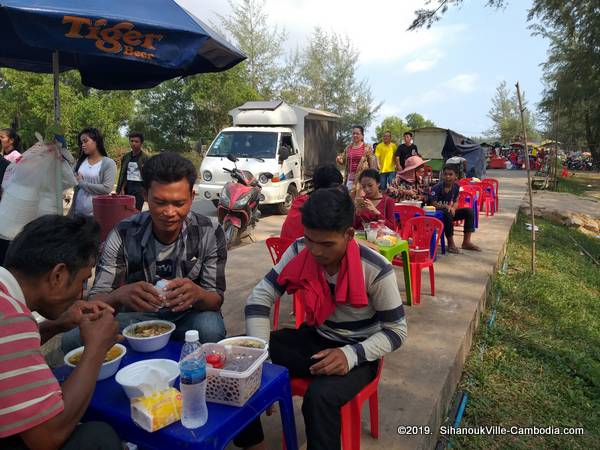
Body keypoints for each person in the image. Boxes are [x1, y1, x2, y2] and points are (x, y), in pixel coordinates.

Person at [237, 188, 407, 450]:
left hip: (359, 352)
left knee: (319, 398)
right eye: (310, 240)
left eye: (326, 244)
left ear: (348, 234)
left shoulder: (374, 268)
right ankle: (254, 445)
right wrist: (262, 358)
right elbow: (259, 299)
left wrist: (350, 355)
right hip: (316, 338)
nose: (315, 251)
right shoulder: (300, 250)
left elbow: (396, 331)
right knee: (239, 358)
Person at [62, 152, 227, 353]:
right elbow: (97, 299)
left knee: (210, 327)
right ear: (145, 195)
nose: (169, 212)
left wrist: (197, 294)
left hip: (188, 317)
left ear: (192, 197)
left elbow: (215, 298)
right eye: (160, 202)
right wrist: (120, 295)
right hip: (137, 319)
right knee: (72, 338)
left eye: (179, 203)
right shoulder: (124, 232)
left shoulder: (209, 231)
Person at [0, 215, 122, 450]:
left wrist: (55, 325)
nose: (81, 294)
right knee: (97, 437)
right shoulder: (10, 317)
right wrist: (96, 348)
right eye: (83, 282)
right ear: (58, 275)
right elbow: (47, 436)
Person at [280, 164, 343, 241]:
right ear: (333, 189)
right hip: (301, 250)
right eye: (339, 188)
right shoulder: (323, 208)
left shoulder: (299, 201)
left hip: (283, 249)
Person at [428, 165, 481, 254]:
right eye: (445, 174)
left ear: (456, 176)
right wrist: (446, 207)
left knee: (469, 211)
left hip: (448, 212)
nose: (447, 176)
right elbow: (433, 203)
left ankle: (466, 242)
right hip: (436, 215)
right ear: (442, 175)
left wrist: (453, 208)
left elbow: (456, 200)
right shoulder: (436, 187)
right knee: (447, 213)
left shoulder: (456, 187)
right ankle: (451, 243)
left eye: (450, 174)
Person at [69, 128, 117, 217]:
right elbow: (69, 179)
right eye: (81, 143)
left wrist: (82, 183)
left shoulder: (108, 163)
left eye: (85, 141)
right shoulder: (80, 162)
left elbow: (106, 188)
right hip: (77, 213)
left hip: (98, 215)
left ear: (96, 141)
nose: (83, 145)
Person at [336, 125, 376, 190]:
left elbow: (372, 165)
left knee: (360, 198)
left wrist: (372, 178)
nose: (355, 135)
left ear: (362, 135)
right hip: (350, 177)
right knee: (349, 197)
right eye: (353, 133)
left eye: (357, 134)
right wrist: (338, 160)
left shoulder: (367, 148)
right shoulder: (348, 147)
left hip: (363, 177)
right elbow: (343, 162)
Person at [117, 132, 149, 211]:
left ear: (141, 143)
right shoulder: (126, 157)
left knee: (136, 210)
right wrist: (121, 188)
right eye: (131, 141)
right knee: (125, 210)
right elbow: (123, 173)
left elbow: (148, 175)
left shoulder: (145, 158)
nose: (133, 143)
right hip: (127, 187)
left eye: (136, 141)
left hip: (139, 189)